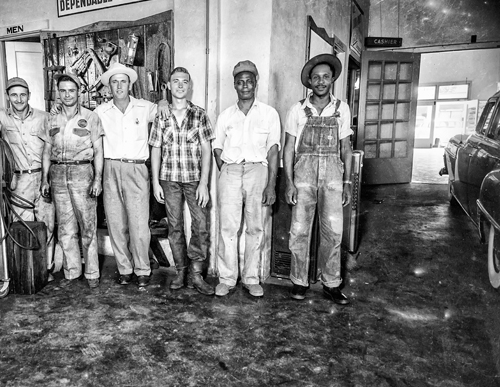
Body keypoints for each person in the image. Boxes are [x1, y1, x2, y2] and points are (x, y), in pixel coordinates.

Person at [0, 77, 57, 279]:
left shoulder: (44, 117)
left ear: (29, 96)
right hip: (19, 181)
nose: (19, 99)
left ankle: (45, 269)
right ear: (8, 97)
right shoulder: (0, 115)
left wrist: (47, 179)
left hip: (43, 177)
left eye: (23, 94)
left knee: (47, 225)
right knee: (23, 226)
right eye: (14, 95)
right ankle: (27, 271)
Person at [282, 54, 353, 305]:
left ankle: (331, 283)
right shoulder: (297, 110)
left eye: (325, 77)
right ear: (309, 82)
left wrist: (347, 183)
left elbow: (346, 149)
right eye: (316, 78)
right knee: (300, 230)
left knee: (333, 232)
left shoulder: (341, 108)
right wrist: (289, 182)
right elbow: (288, 148)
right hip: (304, 176)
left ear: (332, 79)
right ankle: (299, 281)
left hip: (333, 176)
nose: (321, 82)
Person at [94, 63, 168, 288]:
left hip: (137, 169)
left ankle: (143, 269)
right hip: (111, 168)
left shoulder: (144, 107)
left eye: (123, 81)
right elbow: (81, 122)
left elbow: (165, 112)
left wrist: (164, 100)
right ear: (109, 86)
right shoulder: (100, 112)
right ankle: (124, 269)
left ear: (130, 84)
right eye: (114, 82)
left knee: (139, 225)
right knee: (116, 223)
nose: (119, 86)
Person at [212, 60, 281, 298]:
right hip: (230, 171)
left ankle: (251, 278)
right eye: (240, 82)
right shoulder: (225, 116)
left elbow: (273, 151)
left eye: (249, 81)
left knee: (255, 227)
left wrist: (271, 184)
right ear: (234, 85)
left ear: (255, 83)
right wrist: (228, 170)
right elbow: (217, 148)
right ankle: (227, 278)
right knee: (228, 228)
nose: (245, 86)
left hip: (257, 172)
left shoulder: (269, 114)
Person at [148, 67, 215, 296]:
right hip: (169, 179)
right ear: (169, 85)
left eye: (184, 82)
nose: (179, 85)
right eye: (175, 81)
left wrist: (204, 183)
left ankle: (196, 273)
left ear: (189, 86)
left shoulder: (199, 114)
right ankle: (181, 271)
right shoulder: (161, 115)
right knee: (174, 227)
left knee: (200, 225)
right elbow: (155, 149)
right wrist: (156, 182)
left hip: (195, 179)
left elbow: (207, 150)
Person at [41, 72, 104, 288]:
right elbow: (47, 151)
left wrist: (98, 179)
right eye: (63, 91)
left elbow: (98, 150)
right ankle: (71, 272)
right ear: (58, 93)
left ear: (79, 92)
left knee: (88, 226)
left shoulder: (91, 117)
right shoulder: (52, 119)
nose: (68, 95)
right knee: (66, 228)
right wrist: (44, 179)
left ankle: (92, 273)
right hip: (58, 175)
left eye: (72, 90)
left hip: (82, 174)